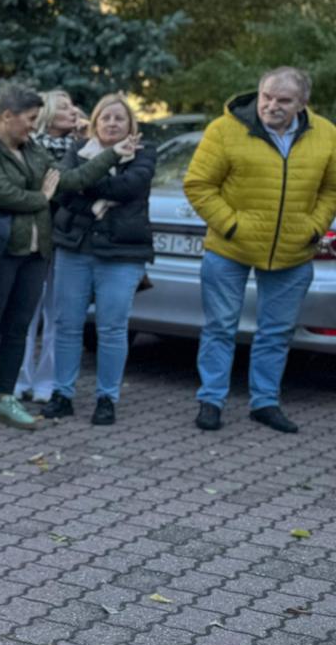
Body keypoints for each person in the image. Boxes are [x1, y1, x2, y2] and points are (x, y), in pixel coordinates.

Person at [0, 81, 119, 428]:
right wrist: (42, 197)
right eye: (29, 118)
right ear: (7, 116)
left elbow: (67, 180)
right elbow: (2, 194)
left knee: (19, 326)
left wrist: (111, 155)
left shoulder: (29, 146)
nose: (33, 125)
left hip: (35, 251)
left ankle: (5, 397)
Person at [185, 67, 336, 433]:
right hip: (229, 248)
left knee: (276, 332)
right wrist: (233, 225)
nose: (271, 105)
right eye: (266, 96)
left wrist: (314, 227)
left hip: (292, 251)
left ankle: (264, 403)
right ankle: (211, 401)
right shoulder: (225, 130)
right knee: (220, 326)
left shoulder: (327, 135)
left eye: (283, 100)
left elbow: (331, 190)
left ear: (302, 103)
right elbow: (199, 184)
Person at [41, 94, 154, 425]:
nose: (112, 123)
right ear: (94, 122)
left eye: (119, 118)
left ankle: (107, 398)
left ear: (130, 124)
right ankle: (62, 394)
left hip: (122, 254)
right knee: (67, 324)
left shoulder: (145, 154)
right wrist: (91, 201)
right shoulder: (76, 151)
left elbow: (127, 188)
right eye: (105, 117)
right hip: (75, 248)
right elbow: (61, 191)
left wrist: (85, 184)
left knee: (112, 328)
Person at [14, 90, 87, 402]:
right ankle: (18, 379)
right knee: (25, 313)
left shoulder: (82, 147)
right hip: (34, 238)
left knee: (59, 314)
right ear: (46, 114)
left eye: (73, 106)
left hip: (68, 240)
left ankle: (48, 381)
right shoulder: (29, 147)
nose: (73, 111)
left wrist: (85, 144)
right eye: (65, 107)